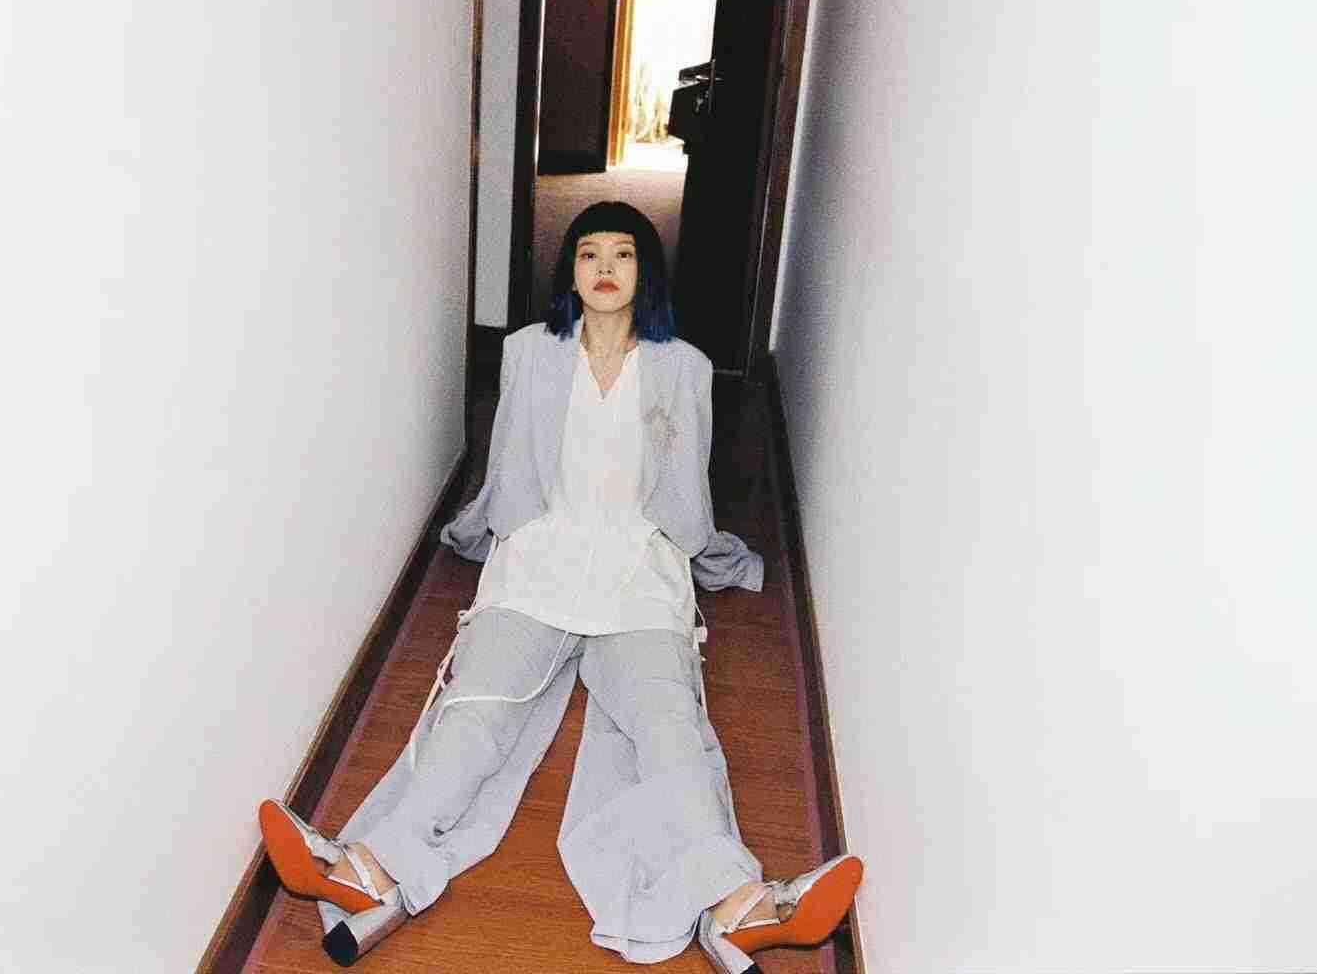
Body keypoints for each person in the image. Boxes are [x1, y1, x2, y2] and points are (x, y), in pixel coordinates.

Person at [256, 202, 863, 971]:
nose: (604, 268)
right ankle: (371, 867)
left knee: (669, 726)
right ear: (570, 271)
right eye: (588, 253)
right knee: (476, 712)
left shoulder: (685, 367)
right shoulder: (527, 354)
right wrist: (489, 534)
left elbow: (688, 489)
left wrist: (704, 557)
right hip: (539, 559)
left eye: (623, 254)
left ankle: (739, 902)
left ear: (645, 272)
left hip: (638, 568)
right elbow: (509, 465)